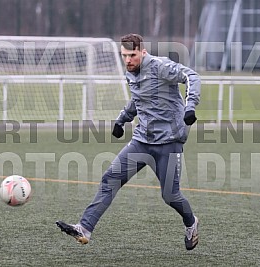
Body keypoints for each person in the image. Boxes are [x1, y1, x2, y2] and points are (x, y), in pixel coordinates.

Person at [56, 33, 200, 250]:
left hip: (169, 142)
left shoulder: (161, 66)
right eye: (124, 55)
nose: (128, 60)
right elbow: (138, 98)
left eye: (132, 55)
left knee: (170, 196)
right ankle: (84, 228)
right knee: (110, 179)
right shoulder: (131, 72)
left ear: (143, 51)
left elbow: (192, 76)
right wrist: (122, 119)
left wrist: (190, 107)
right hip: (141, 141)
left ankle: (191, 223)